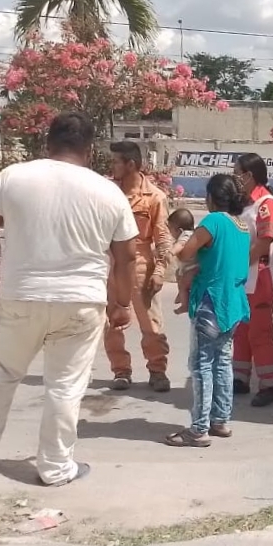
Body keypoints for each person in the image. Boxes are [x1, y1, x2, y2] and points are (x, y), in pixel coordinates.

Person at [0, 111, 139, 487]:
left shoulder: (13, 177)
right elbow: (127, 256)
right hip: (81, 301)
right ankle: (55, 468)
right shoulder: (108, 192)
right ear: (89, 149)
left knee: (2, 373)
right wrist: (120, 303)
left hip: (21, 295)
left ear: (47, 142)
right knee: (66, 385)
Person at [165, 174, 251, 447]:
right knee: (223, 361)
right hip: (233, 303)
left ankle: (198, 429)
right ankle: (220, 420)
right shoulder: (242, 225)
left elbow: (185, 253)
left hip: (211, 303)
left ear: (213, 197)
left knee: (201, 365)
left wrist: (181, 242)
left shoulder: (214, 221)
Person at [103, 140, 173, 392]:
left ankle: (157, 370)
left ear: (130, 164)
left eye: (116, 161)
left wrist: (160, 270)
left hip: (141, 264)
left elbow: (163, 236)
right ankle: (121, 370)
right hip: (111, 264)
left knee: (151, 324)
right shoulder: (108, 193)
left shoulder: (155, 197)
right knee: (111, 322)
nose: (112, 166)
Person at [232, 153, 273, 407]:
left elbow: (265, 242)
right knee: (240, 329)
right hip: (244, 277)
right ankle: (240, 378)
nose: (235, 178)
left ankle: (268, 385)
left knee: (260, 333)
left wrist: (239, 265)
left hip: (260, 276)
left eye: (237, 173)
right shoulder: (245, 203)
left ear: (249, 175)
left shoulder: (266, 204)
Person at [168, 207, 197, 314]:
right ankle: (181, 293)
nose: (170, 233)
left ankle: (185, 305)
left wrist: (171, 252)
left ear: (179, 230)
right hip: (187, 267)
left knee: (184, 283)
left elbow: (181, 245)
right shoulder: (192, 233)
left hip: (192, 268)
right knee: (178, 275)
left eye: (170, 229)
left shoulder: (185, 235)